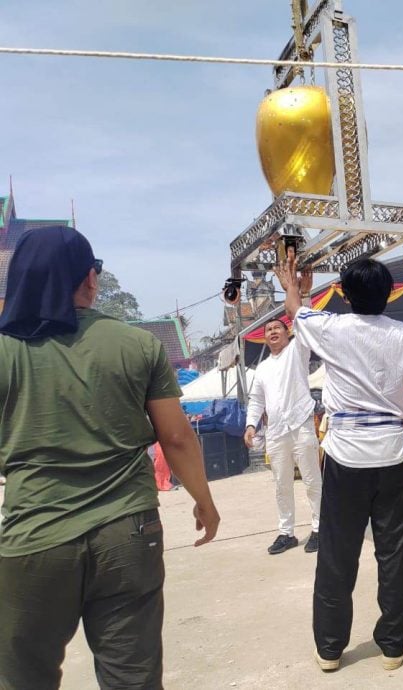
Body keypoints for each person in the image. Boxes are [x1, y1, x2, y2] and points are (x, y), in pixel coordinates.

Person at [0, 226, 220, 689]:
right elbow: (176, 437)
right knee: (132, 676)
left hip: (35, 534)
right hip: (128, 532)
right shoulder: (136, 344)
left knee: (24, 676)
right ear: (90, 280)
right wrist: (204, 500)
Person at [276, 254, 403, 673]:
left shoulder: (331, 327)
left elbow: (294, 310)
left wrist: (295, 285)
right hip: (392, 455)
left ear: (343, 292)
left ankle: (329, 649)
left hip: (345, 456)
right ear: (390, 293)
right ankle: (393, 645)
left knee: (337, 555)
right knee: (393, 551)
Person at [244, 316, 322, 555]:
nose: (272, 331)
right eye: (268, 329)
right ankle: (286, 533)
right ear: (264, 338)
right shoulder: (263, 368)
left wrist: (303, 296)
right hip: (276, 432)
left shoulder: (297, 351)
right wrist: (250, 425)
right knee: (281, 485)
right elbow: (257, 400)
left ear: (287, 333)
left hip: (301, 426)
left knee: (312, 481)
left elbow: (305, 323)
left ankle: (321, 528)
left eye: (277, 327)